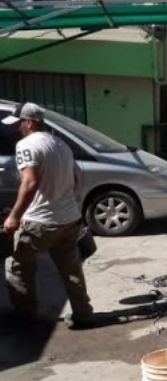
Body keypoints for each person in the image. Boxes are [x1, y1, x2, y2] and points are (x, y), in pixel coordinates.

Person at [2, 102, 94, 328]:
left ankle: (26, 319)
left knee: (18, 268)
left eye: (19, 123)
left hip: (40, 222)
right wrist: (65, 204)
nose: (17, 128)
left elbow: (30, 182)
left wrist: (14, 216)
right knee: (71, 270)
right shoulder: (61, 145)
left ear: (29, 122)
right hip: (69, 219)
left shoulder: (26, 145)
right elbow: (78, 180)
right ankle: (83, 315)